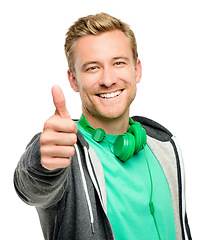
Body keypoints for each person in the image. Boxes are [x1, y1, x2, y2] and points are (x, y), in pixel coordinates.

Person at [14, 12, 192, 240]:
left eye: (118, 63)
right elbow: (30, 188)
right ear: (73, 80)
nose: (108, 80)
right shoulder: (65, 151)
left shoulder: (163, 146)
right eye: (92, 68)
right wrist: (41, 161)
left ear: (136, 70)